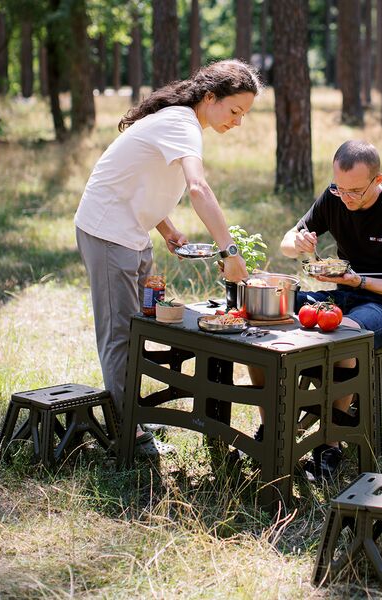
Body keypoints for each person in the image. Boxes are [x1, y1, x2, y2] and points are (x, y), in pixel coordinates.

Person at [74, 60, 261, 456]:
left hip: (132, 233)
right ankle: (128, 435)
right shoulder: (182, 124)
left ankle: (132, 415)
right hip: (108, 232)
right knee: (121, 335)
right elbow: (197, 187)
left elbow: (136, 177)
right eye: (234, 111)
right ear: (210, 97)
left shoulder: (181, 121)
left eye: (243, 115)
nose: (237, 122)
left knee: (142, 325)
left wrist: (166, 229)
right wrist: (230, 250)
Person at [279, 139, 382, 481]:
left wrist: (360, 282)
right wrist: (297, 242)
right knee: (281, 303)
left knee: (344, 336)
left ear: (378, 180)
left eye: (355, 191)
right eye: (339, 188)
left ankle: (330, 445)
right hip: (346, 296)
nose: (345, 198)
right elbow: (289, 241)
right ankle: (280, 423)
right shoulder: (335, 196)